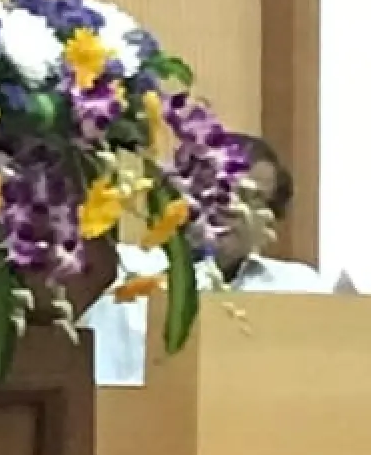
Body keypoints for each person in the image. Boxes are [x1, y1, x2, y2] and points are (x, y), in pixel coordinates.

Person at [86, 133, 335, 384]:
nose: (229, 206)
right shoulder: (122, 271)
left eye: (251, 198)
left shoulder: (301, 286)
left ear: (271, 217)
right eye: (217, 190)